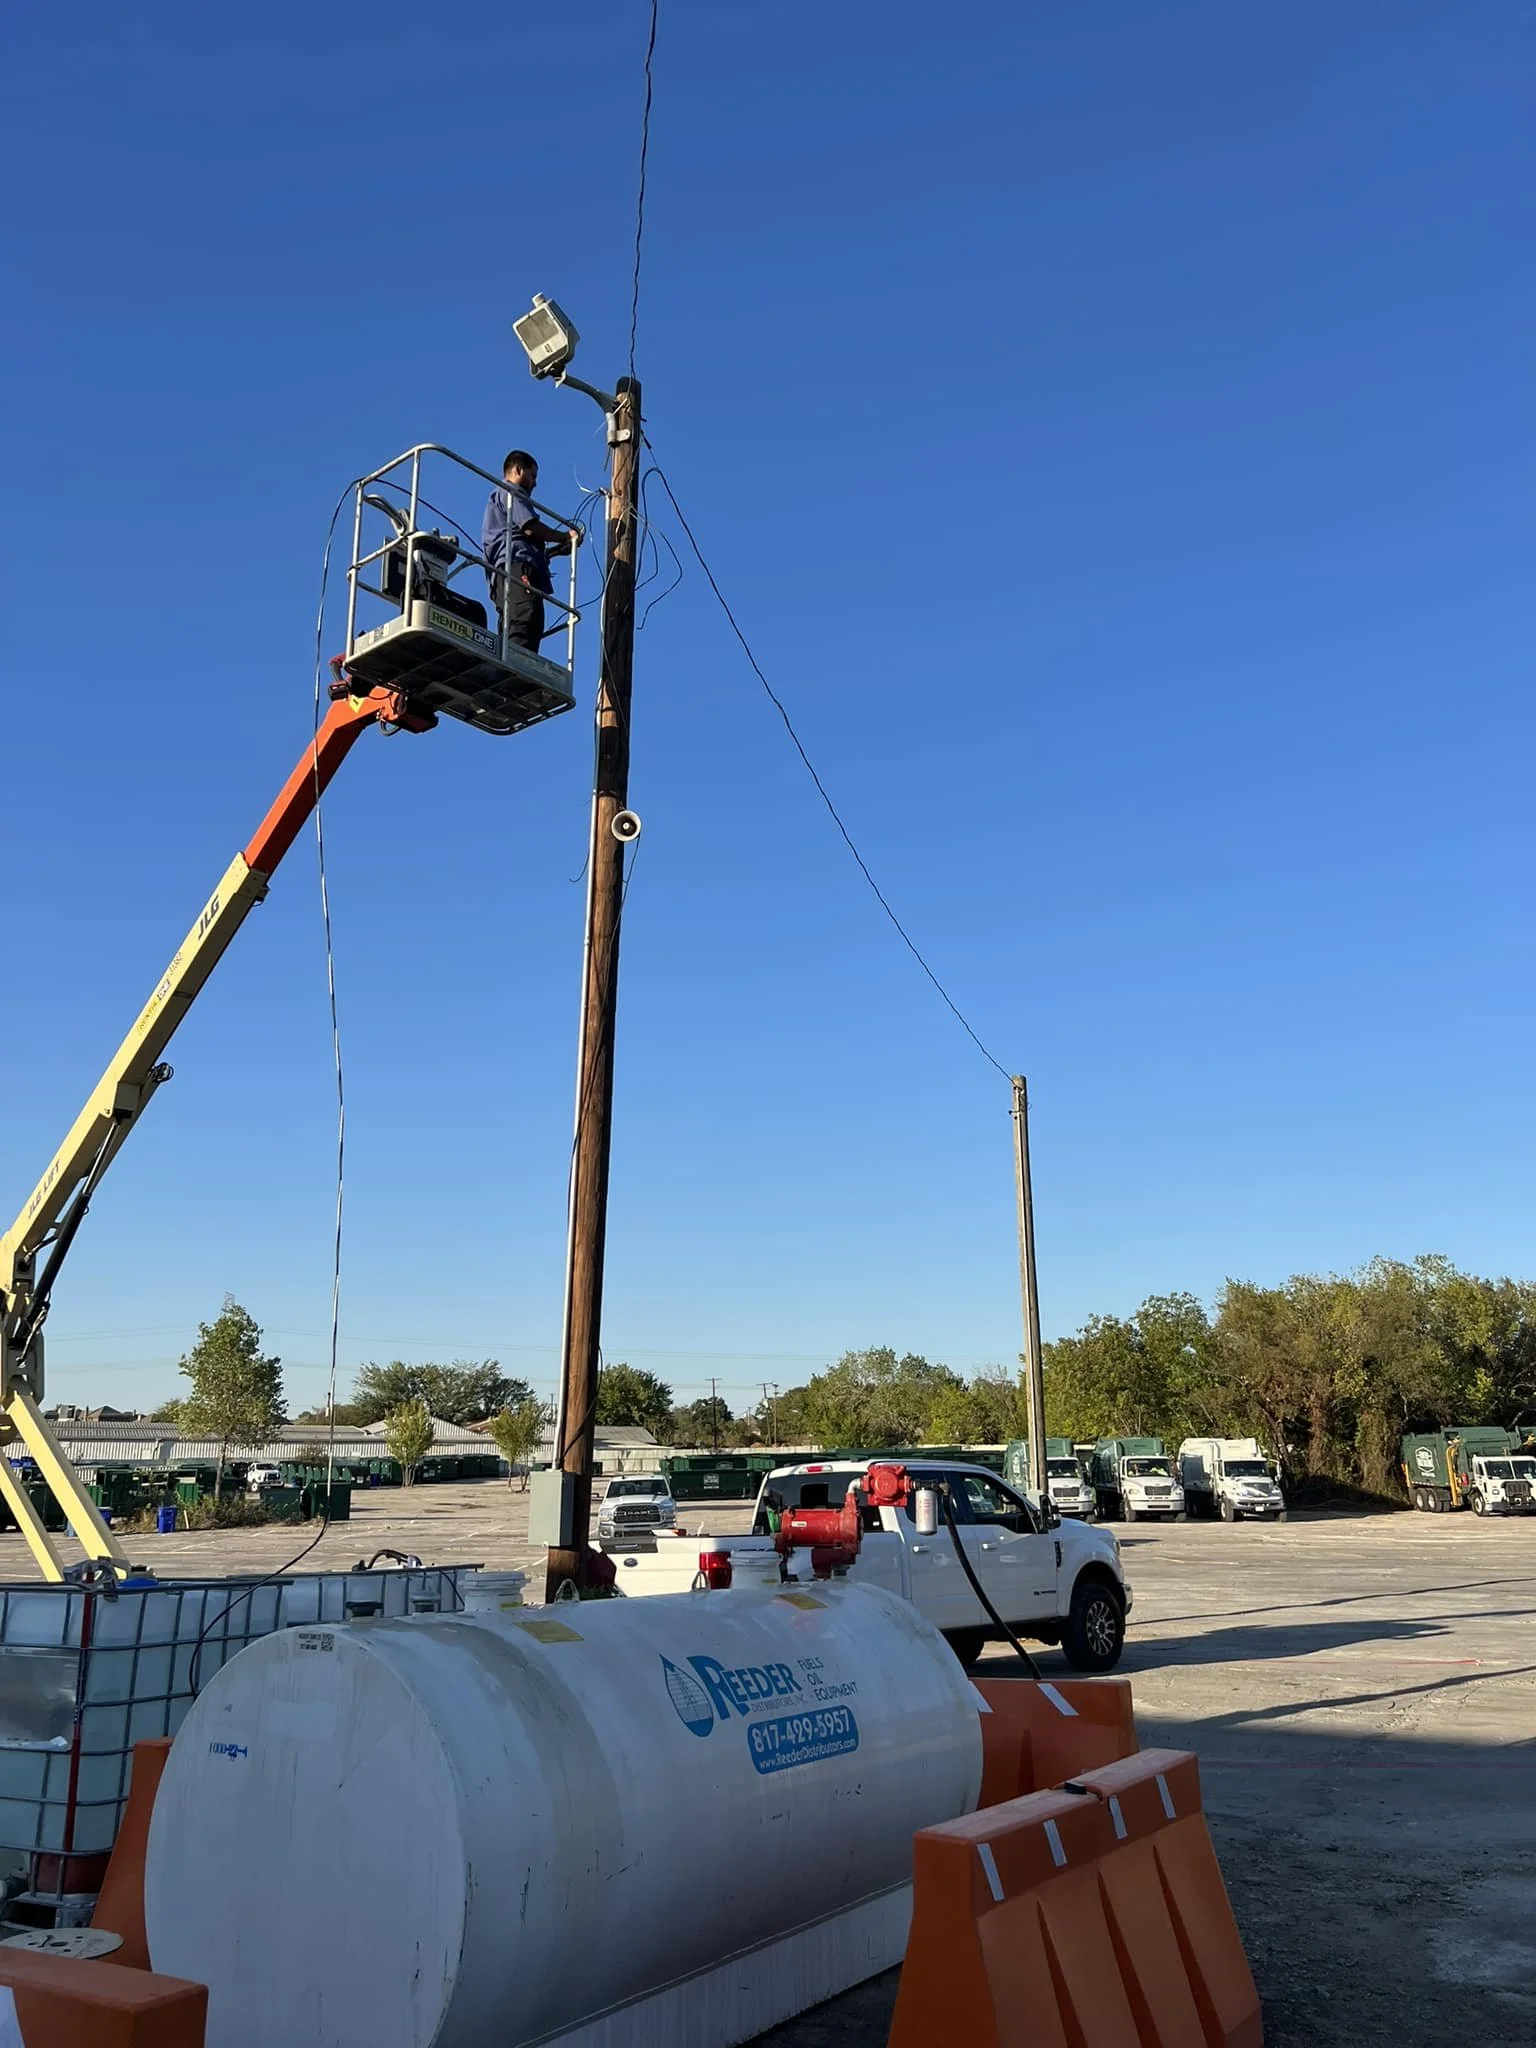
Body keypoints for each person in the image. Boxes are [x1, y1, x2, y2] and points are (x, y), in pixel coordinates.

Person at [481, 450, 572, 653]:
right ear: (518, 470)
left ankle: (511, 671)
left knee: (520, 625)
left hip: (510, 572)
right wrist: (564, 536)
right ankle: (515, 672)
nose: (535, 483)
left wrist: (556, 550)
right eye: (533, 476)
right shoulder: (509, 492)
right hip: (516, 571)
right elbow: (529, 527)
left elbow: (524, 541)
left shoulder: (501, 499)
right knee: (524, 622)